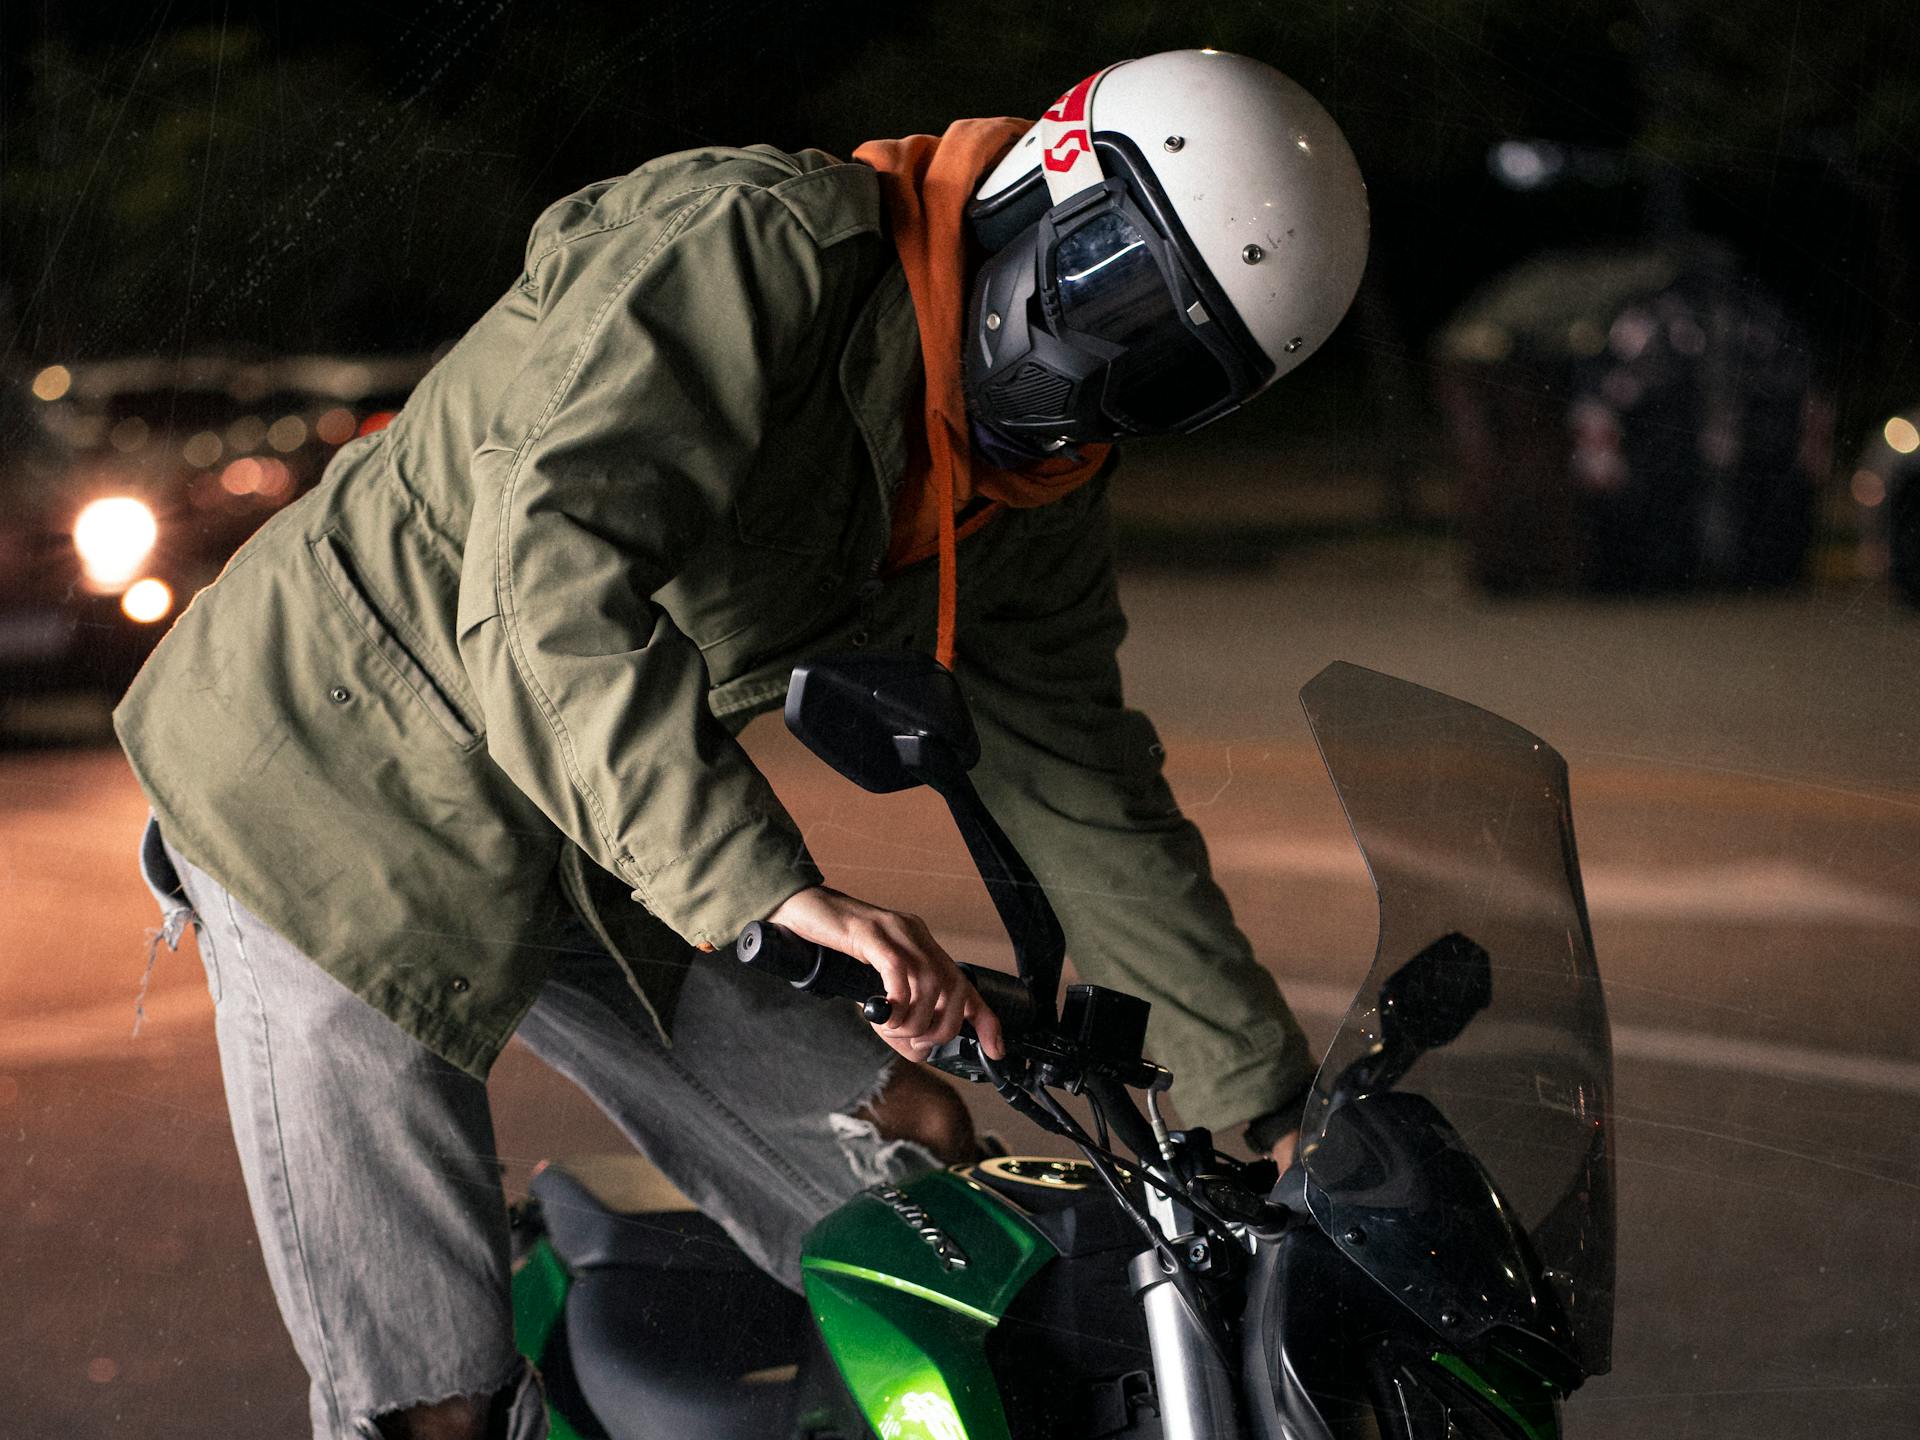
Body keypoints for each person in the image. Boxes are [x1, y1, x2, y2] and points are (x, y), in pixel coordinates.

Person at [118, 49, 1368, 1440]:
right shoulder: (754, 247)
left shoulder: (1026, 499)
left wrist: (1266, 1118)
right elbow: (544, 572)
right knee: (434, 1398)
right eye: (1118, 296)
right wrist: (767, 893)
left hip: (584, 803)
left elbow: (1086, 791)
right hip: (324, 761)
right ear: (1047, 185)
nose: (1095, 368)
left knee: (918, 1164)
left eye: (1170, 371)